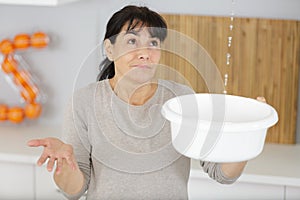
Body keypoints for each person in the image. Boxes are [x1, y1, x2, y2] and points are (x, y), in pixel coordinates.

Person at [27, 5, 263, 200]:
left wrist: (249, 133)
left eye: (153, 43)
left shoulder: (182, 99)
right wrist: (65, 163)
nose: (144, 52)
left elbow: (221, 174)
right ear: (109, 49)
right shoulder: (84, 102)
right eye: (132, 41)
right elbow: (74, 190)